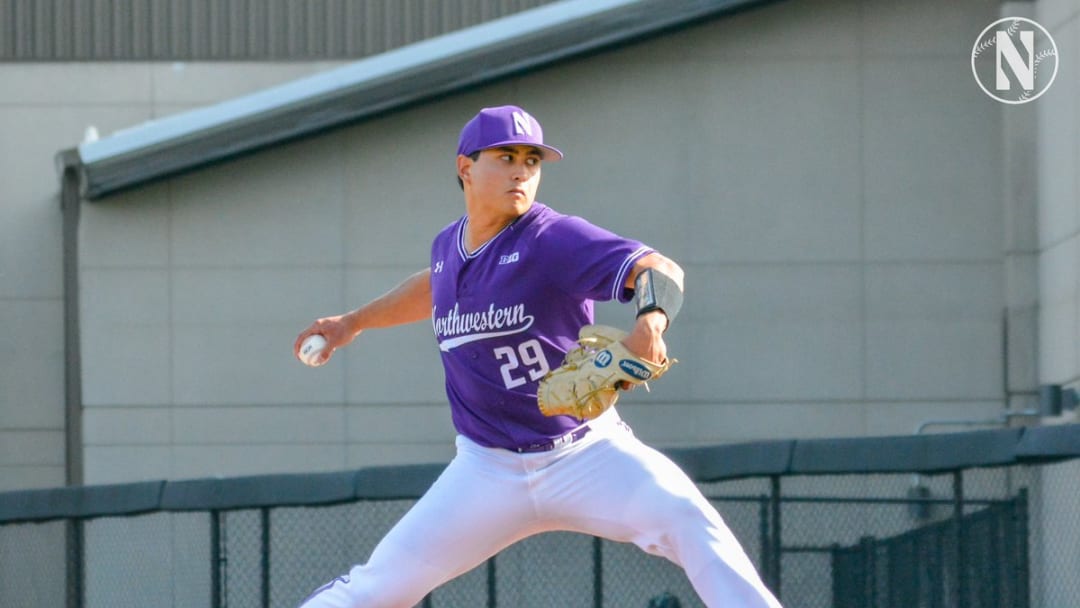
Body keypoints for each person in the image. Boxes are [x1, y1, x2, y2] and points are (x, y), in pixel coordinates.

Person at [293, 105, 782, 608]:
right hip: (485, 469)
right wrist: (353, 322)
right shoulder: (448, 247)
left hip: (585, 454)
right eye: (506, 156)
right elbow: (434, 286)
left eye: (532, 159)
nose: (522, 170)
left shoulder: (552, 238)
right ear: (466, 168)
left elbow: (660, 269)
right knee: (378, 588)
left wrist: (650, 321)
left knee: (687, 519)